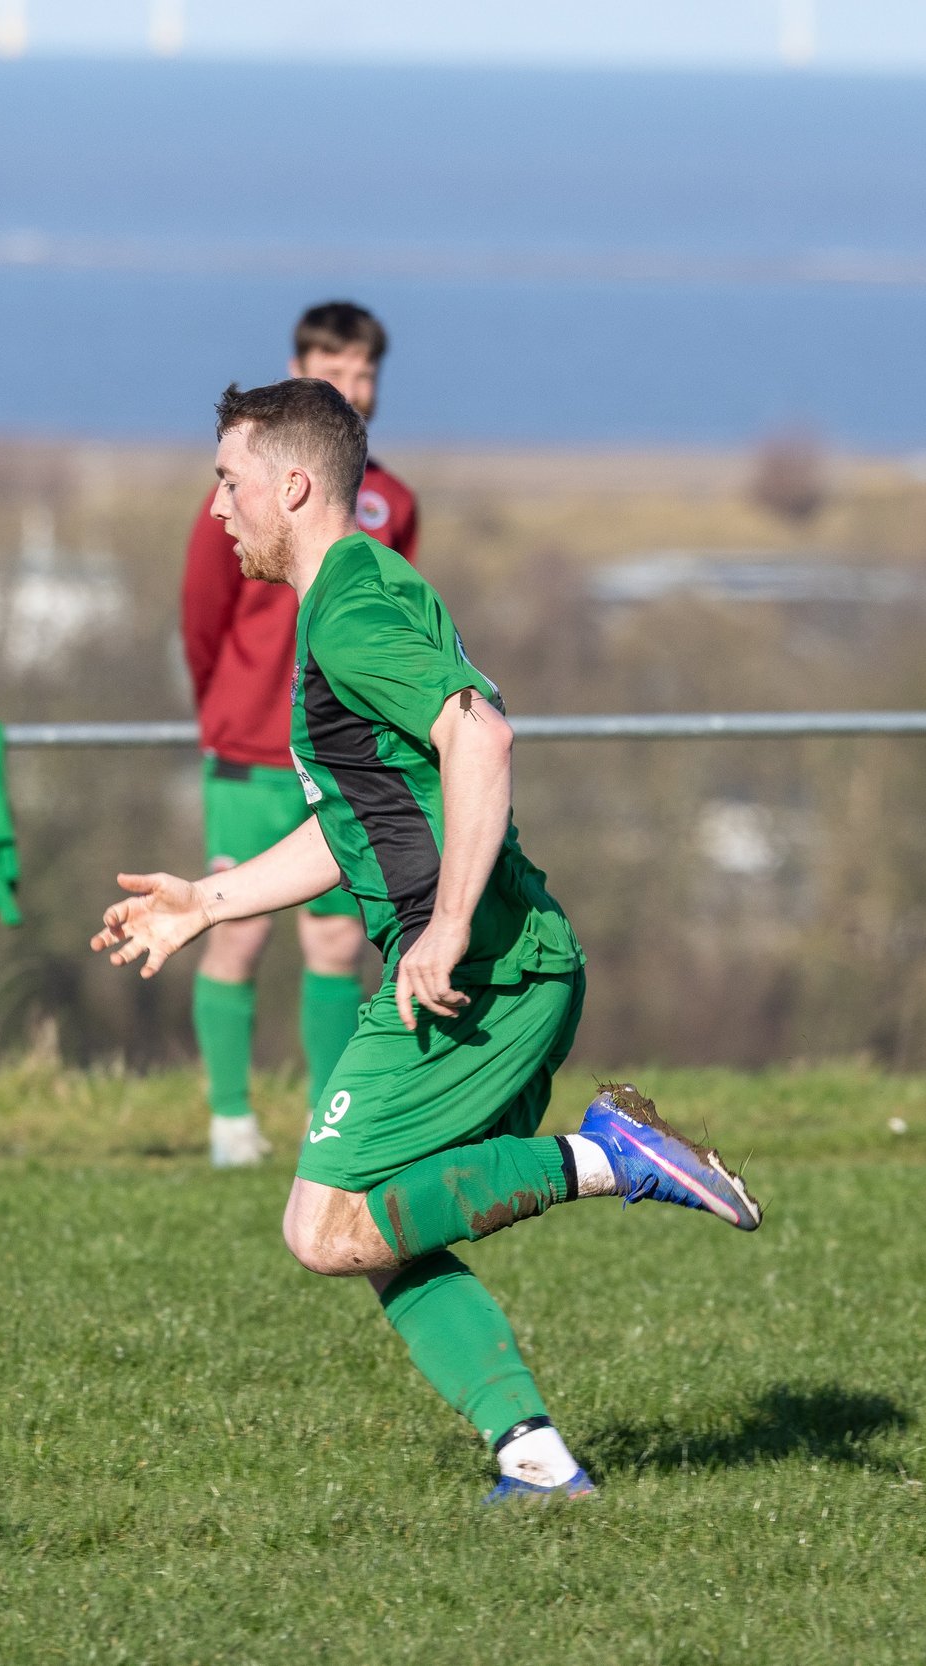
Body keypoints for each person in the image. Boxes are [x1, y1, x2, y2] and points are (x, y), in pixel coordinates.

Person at [97, 378, 761, 1501]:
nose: (215, 508)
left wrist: (446, 926)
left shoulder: (350, 612)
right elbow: (356, 816)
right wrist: (208, 903)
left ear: (292, 485)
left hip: (480, 973)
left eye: (227, 480)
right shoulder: (362, 585)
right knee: (378, 1227)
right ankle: (534, 1455)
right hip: (494, 964)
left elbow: (479, 739)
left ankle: (607, 1156)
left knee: (323, 1226)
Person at [179, 302, 421, 1168]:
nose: (352, 388)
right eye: (335, 372)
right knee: (234, 925)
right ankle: (231, 1123)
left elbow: (397, 630)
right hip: (250, 747)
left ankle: (331, 1116)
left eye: (364, 375)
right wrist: (231, 710)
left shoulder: (389, 502)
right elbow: (204, 615)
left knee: (335, 937)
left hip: (342, 752)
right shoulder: (243, 494)